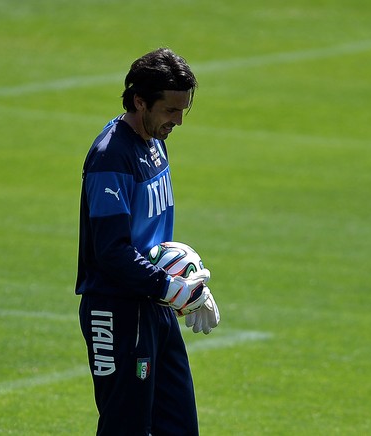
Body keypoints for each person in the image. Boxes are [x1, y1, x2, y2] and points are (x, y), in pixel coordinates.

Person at [75, 48, 220, 435]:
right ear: (140, 101)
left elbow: (153, 238)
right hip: (117, 309)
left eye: (183, 110)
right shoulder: (111, 157)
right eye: (171, 110)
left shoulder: (155, 142)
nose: (178, 121)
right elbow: (111, 251)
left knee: (179, 426)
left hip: (154, 304)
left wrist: (188, 279)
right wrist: (170, 287)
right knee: (125, 427)